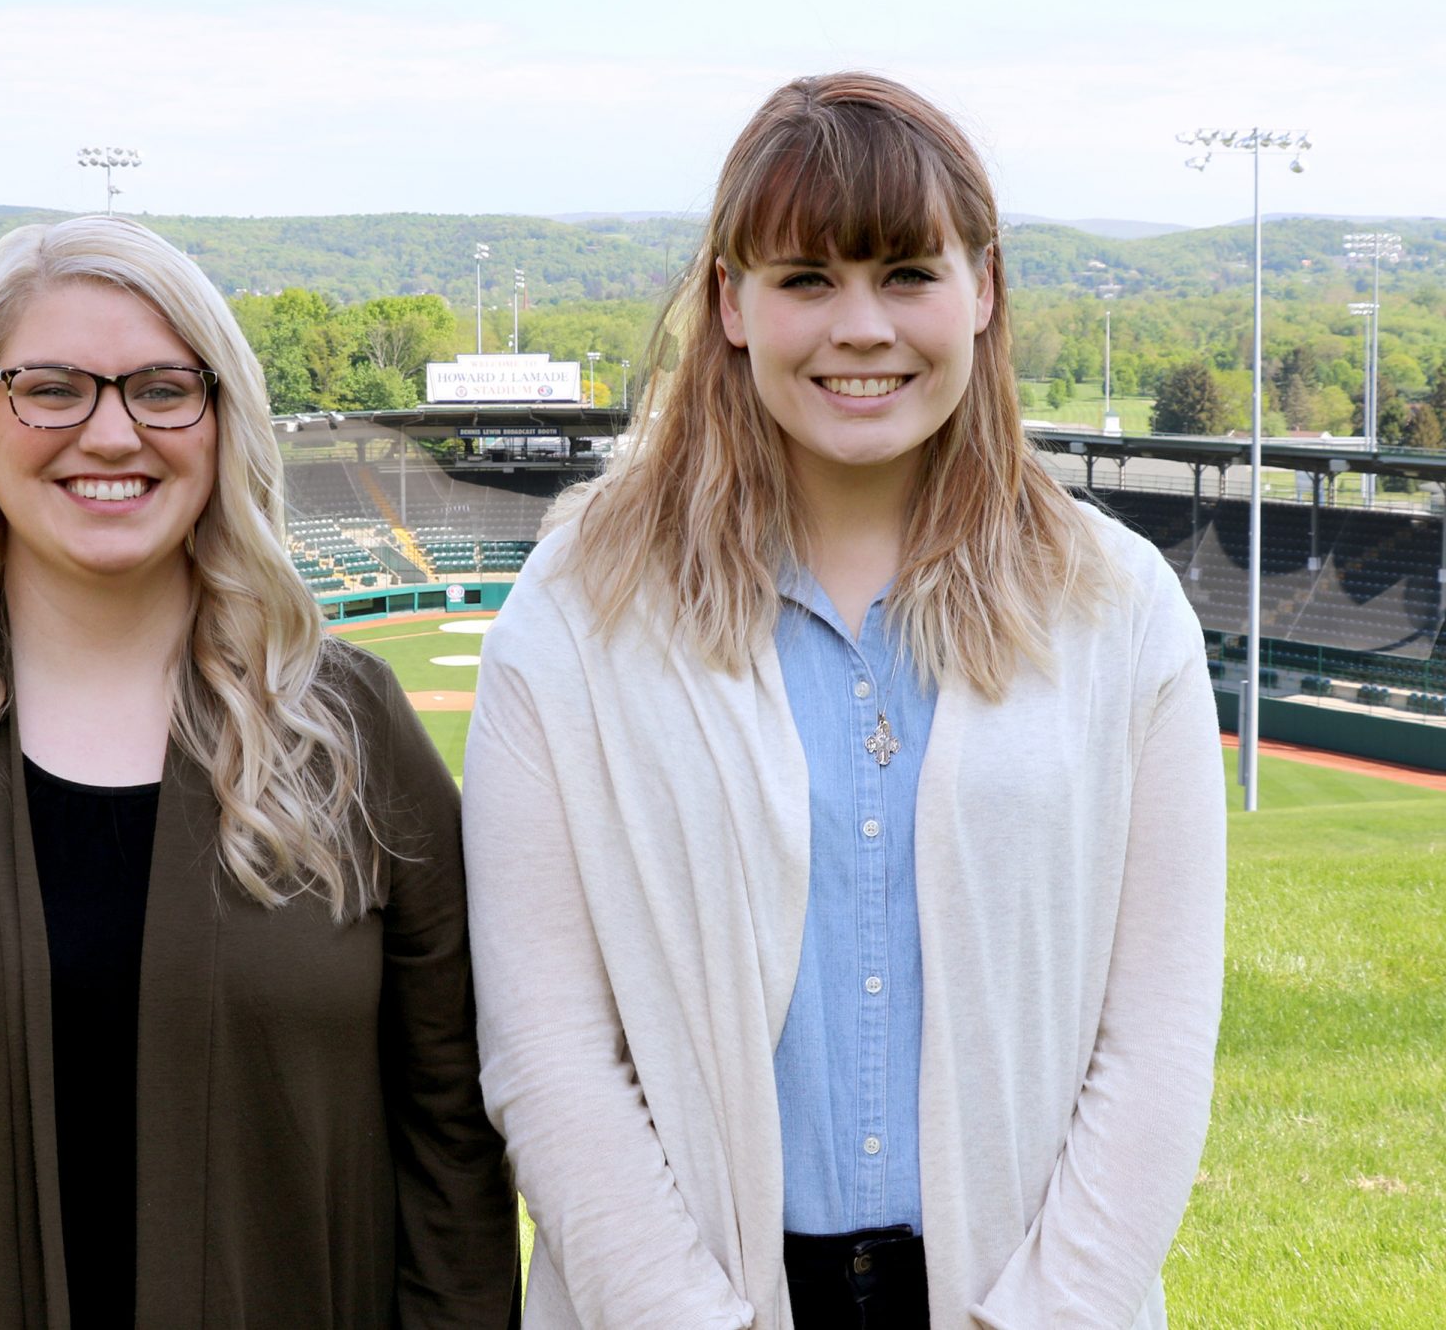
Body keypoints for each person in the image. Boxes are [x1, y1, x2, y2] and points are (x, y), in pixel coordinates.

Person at [463, 73, 1225, 1330]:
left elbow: (1153, 1045)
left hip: (1013, 1298)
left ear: (982, 288)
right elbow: (547, 1054)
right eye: (805, 278)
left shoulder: (1117, 606)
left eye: (907, 274)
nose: (859, 326)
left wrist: (1043, 1314)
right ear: (729, 303)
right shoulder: (577, 608)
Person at [0, 215, 519, 1328]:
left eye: (164, 387)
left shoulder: (349, 732)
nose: (111, 432)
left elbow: (452, 1138)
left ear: (220, 422)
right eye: (51, 387)